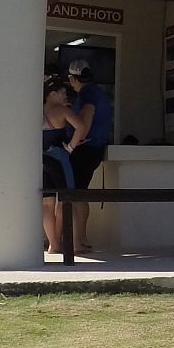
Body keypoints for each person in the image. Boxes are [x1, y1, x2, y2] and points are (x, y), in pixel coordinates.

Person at [62, 61, 113, 253]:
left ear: (73, 78)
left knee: (75, 195)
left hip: (85, 150)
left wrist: (73, 144)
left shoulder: (87, 94)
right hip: (94, 149)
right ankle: (81, 239)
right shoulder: (97, 92)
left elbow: (85, 118)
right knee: (80, 194)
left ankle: (77, 241)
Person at [40, 77, 80, 254]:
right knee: (65, 199)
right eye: (62, 92)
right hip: (58, 157)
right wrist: (71, 147)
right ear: (53, 94)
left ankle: (52, 243)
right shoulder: (61, 110)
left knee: (47, 202)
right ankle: (59, 243)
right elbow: (81, 126)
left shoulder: (37, 110)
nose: (66, 95)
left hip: (41, 158)